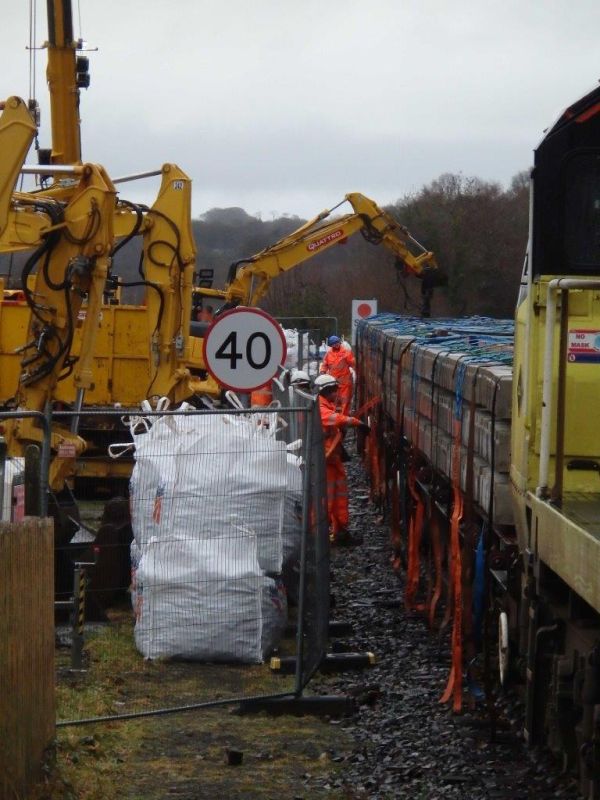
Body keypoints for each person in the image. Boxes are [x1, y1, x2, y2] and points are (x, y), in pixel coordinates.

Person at [314, 374, 369, 546]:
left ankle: (340, 532)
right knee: (328, 500)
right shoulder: (319, 408)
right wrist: (356, 423)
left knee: (339, 497)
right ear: (327, 391)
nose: (337, 393)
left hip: (332, 460)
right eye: (334, 390)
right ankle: (320, 538)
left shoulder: (325, 405)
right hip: (326, 460)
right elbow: (334, 419)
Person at [320, 335, 355, 415]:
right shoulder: (329, 354)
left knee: (344, 401)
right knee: (333, 401)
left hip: (345, 383)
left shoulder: (346, 353)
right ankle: (334, 416)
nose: (336, 345)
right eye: (334, 344)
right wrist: (322, 372)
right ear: (331, 345)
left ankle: (343, 419)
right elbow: (324, 364)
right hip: (333, 383)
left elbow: (353, 363)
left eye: (337, 343)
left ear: (339, 342)